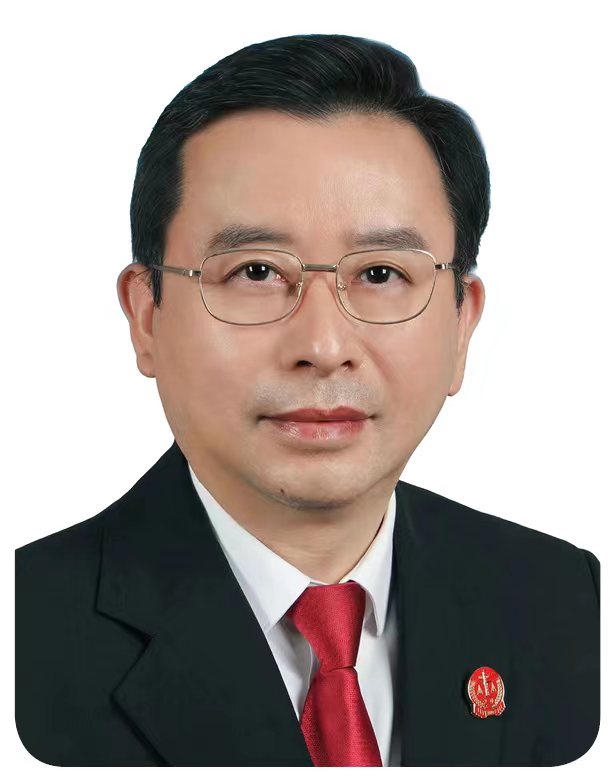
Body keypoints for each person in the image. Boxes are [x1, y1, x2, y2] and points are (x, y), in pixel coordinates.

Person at [15, 33, 599, 767]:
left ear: (461, 325)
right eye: (256, 271)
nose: (323, 345)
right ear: (147, 317)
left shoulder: (567, 603)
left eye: (382, 274)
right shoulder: (25, 631)